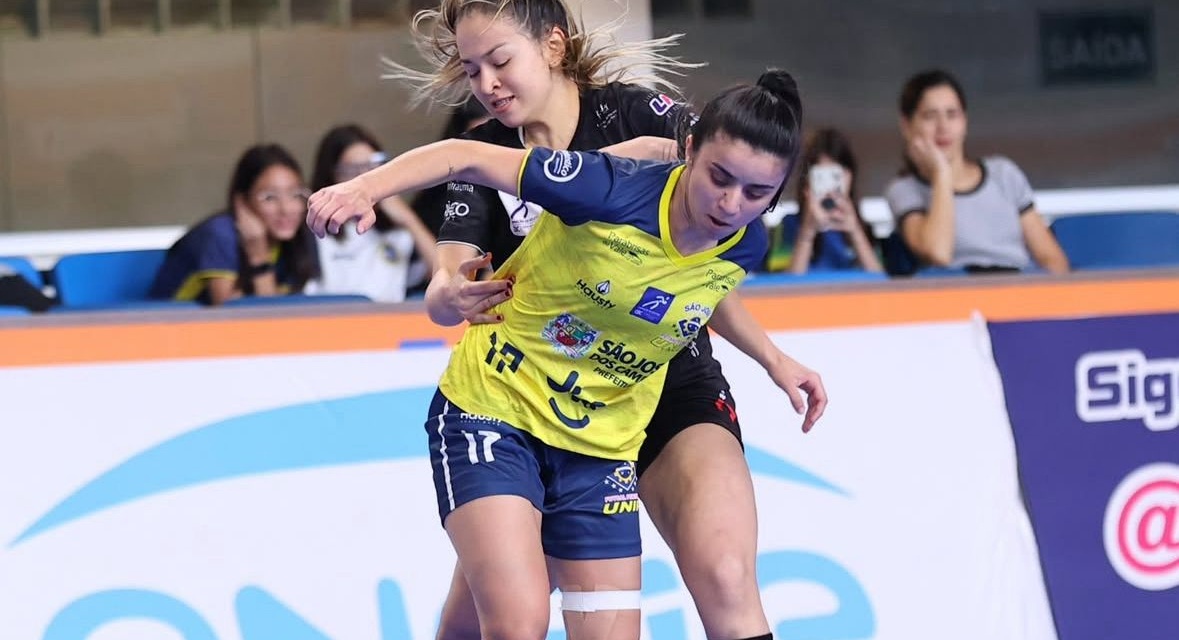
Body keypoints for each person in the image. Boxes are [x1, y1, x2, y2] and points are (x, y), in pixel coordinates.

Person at [382, 3, 827, 640]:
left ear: (554, 47)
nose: (486, 83)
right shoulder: (485, 160)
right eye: (471, 69)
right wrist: (447, 296)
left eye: (500, 61)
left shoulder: (643, 117)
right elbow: (446, 283)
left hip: (668, 380)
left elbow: (705, 250)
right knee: (497, 616)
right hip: (548, 394)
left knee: (728, 576)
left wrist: (774, 358)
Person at [884, 69, 1069, 274]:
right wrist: (942, 175)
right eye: (930, 116)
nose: (943, 127)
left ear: (965, 121)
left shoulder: (1003, 174)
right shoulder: (904, 189)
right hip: (955, 296)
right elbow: (938, 253)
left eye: (952, 114)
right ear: (906, 125)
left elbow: (1052, 260)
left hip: (1016, 290)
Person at [149, 144, 320, 305]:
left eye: (295, 194)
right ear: (243, 202)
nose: (286, 209)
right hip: (166, 328)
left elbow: (285, 311)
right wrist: (259, 258)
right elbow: (235, 315)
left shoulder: (300, 236)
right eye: (270, 197)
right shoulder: (221, 234)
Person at [303, 124, 438, 302]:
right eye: (352, 170)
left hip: (388, 326)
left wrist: (409, 219)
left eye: (373, 167)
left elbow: (444, 276)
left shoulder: (400, 233)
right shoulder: (312, 231)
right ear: (331, 176)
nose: (363, 180)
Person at [788, 128, 882, 274]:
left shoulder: (866, 229)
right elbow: (783, 287)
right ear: (807, 182)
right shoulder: (788, 225)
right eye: (820, 177)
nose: (828, 188)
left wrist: (855, 232)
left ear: (849, 176)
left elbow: (881, 285)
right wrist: (807, 232)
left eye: (835, 176)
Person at [410, 96, 493, 238]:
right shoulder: (439, 202)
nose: (486, 153)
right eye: (477, 143)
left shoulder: (531, 179)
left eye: (494, 139)